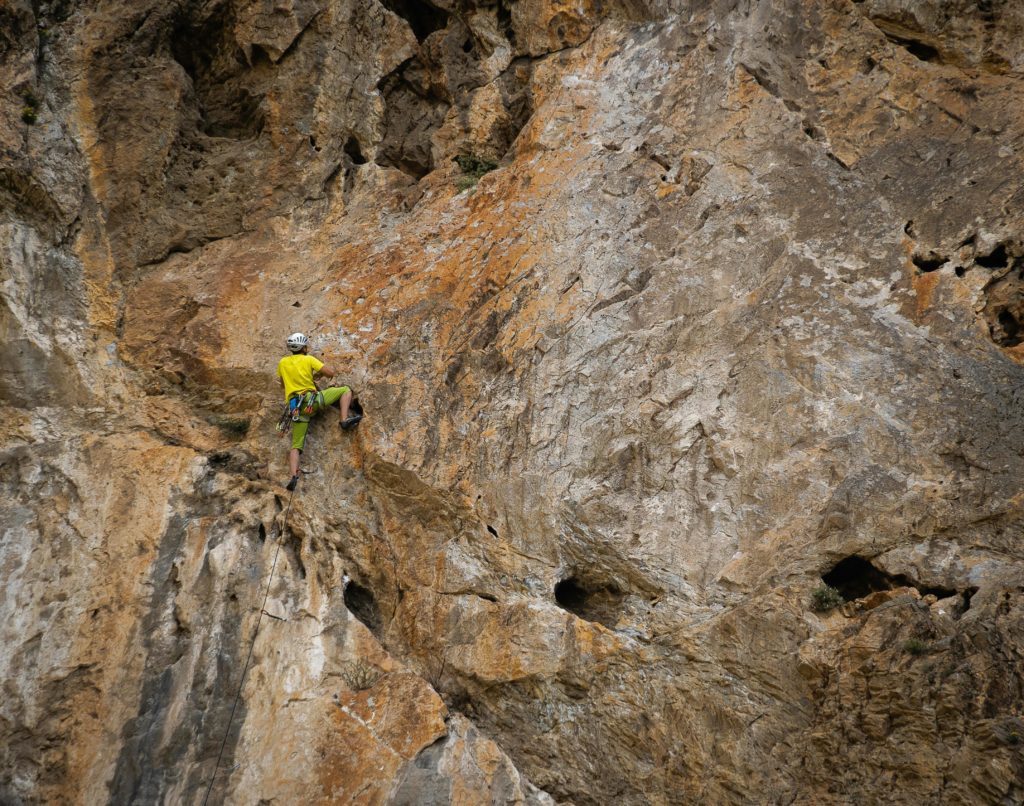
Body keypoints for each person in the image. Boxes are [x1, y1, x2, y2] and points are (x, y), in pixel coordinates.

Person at [277, 332, 361, 490]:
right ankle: (343, 420)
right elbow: (330, 373)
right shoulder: (308, 359)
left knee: (296, 445)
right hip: (312, 402)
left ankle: (294, 475)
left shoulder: (282, 363)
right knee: (345, 390)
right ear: (303, 347)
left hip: (296, 409)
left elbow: (282, 385)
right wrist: (314, 375)